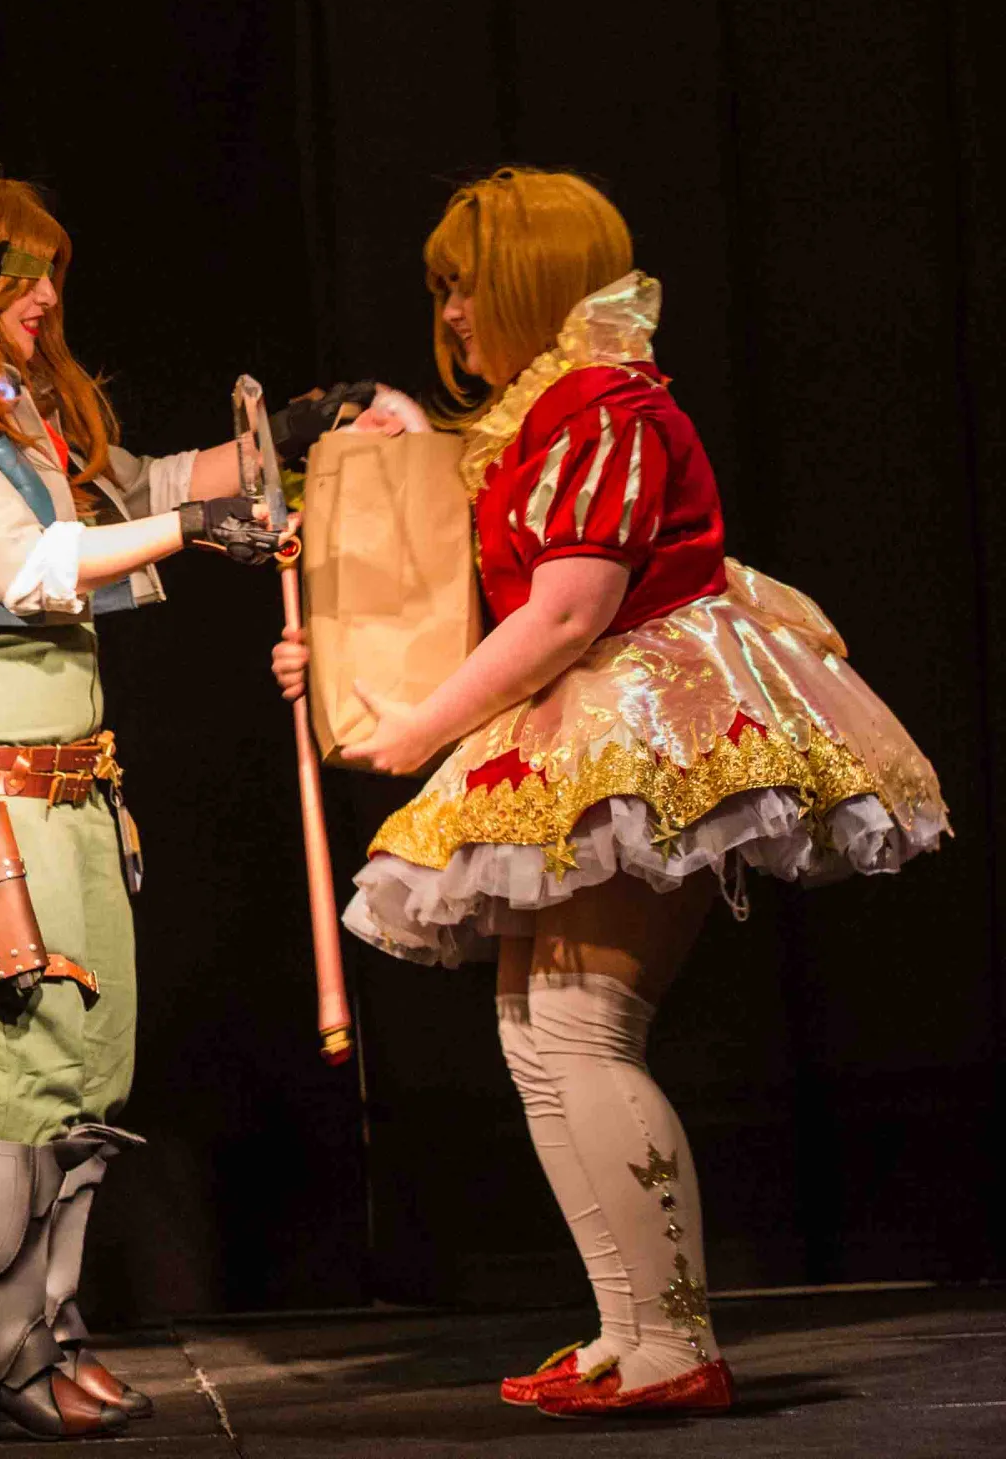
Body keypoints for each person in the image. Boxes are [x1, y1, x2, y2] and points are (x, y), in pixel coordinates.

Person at [272, 167, 946, 1417]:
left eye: (466, 287)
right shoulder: (548, 412)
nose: (452, 314)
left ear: (529, 282)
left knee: (581, 1029)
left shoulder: (605, 408)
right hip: (588, 710)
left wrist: (418, 727)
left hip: (639, 713)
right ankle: (630, 1328)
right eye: (443, 291)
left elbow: (569, 610)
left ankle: (671, 1345)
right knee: (538, 1037)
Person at [0, 160, 353, 1440]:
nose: (49, 297)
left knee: (86, 1072)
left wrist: (276, 444)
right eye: (26, 273)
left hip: (64, 787)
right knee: (26, 1065)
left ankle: (48, 1335)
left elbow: (135, 492)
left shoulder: (9, 409)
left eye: (54, 273)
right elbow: (32, 567)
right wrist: (198, 528)